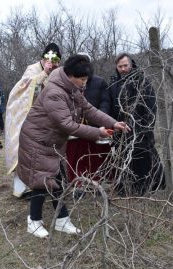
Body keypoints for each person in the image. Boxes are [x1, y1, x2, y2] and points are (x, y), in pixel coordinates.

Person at [17, 55, 129, 238]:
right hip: (37, 141)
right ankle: (34, 221)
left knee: (58, 180)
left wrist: (113, 123)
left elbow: (89, 110)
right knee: (41, 182)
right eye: (82, 79)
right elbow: (66, 124)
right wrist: (98, 132)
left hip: (51, 141)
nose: (84, 83)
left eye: (86, 79)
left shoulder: (72, 89)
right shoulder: (55, 92)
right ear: (70, 75)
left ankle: (61, 220)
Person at [5, 42, 61, 197]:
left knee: (41, 154)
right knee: (24, 153)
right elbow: (26, 90)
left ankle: (43, 185)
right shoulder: (32, 69)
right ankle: (21, 189)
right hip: (27, 118)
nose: (52, 64)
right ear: (43, 58)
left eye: (56, 61)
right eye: (49, 60)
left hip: (46, 119)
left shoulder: (57, 72)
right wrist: (44, 73)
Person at [109, 53, 166, 196]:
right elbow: (111, 107)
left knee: (144, 157)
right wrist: (113, 125)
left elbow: (151, 108)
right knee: (123, 159)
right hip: (121, 129)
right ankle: (125, 188)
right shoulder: (114, 84)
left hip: (141, 129)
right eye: (120, 66)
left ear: (131, 65)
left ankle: (150, 187)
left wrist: (145, 129)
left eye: (125, 65)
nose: (123, 69)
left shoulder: (142, 82)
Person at [66, 53, 112, 188]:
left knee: (96, 157)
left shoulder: (99, 82)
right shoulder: (71, 82)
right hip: (76, 129)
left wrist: (101, 118)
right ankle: (78, 182)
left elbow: (105, 102)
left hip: (95, 127)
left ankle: (97, 181)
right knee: (76, 158)